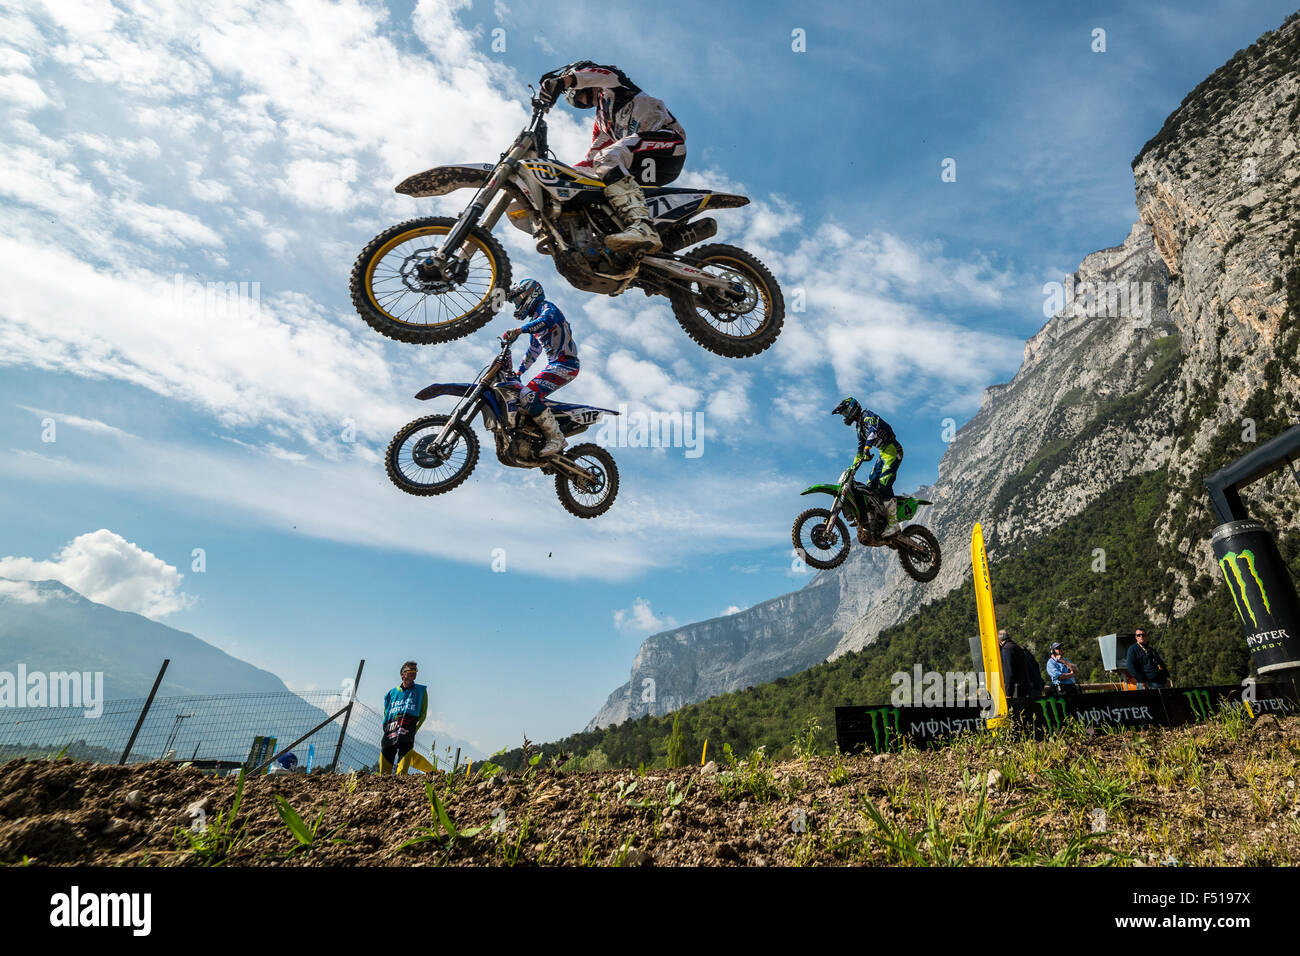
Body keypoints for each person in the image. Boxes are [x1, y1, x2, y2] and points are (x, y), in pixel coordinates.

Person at [538, 61, 686, 254]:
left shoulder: (613, 82)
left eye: (582, 94)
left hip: (669, 145)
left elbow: (600, 75)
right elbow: (591, 162)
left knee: (608, 157)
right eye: (580, 99)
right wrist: (558, 181)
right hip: (642, 162)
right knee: (597, 181)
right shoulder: (602, 122)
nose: (582, 101)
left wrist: (562, 82)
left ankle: (642, 226)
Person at [501, 279, 579, 457]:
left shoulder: (546, 308)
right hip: (557, 365)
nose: (517, 304)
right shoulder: (536, 319)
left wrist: (519, 330)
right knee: (523, 395)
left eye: (518, 299)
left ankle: (556, 437)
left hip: (566, 364)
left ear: (530, 293)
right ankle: (535, 434)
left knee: (528, 394)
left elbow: (547, 320)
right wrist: (518, 373)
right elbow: (533, 351)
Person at [831, 397, 906, 533]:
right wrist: (852, 469)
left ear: (853, 409)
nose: (845, 415)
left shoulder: (867, 416)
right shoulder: (859, 428)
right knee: (870, 485)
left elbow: (873, 431)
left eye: (845, 412)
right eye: (843, 413)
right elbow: (860, 450)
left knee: (884, 483)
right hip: (883, 454)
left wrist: (867, 448)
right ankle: (876, 517)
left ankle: (893, 524)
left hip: (893, 450)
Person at [381, 661, 437, 775]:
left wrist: (414, 729)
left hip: (407, 733)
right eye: (411, 670)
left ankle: (432, 773)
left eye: (415, 671)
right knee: (384, 771)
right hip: (390, 733)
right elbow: (386, 713)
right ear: (402, 674)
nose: (414, 673)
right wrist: (386, 727)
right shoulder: (391, 693)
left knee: (402, 770)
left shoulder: (421, 691)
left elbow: (423, 713)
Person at [997, 629, 1035, 699]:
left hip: (1016, 690)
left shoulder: (1006, 649)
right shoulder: (1016, 647)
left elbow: (1009, 672)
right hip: (1025, 687)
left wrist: (1008, 693)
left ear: (999, 640)